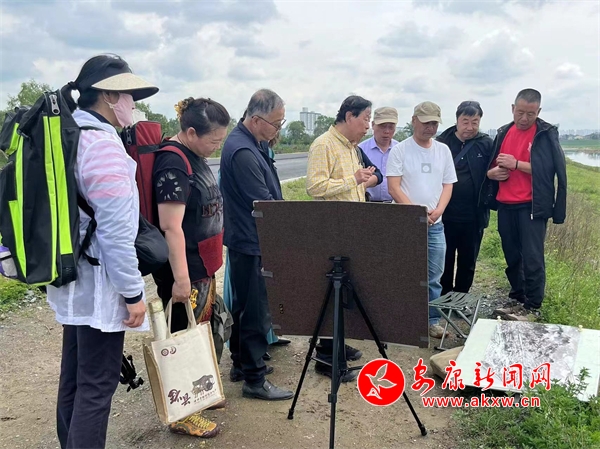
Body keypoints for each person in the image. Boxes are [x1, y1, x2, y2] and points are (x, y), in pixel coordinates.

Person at [48, 54, 158, 449]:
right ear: (109, 95)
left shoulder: (69, 134)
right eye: (127, 95)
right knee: (97, 385)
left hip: (70, 277)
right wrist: (132, 293)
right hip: (98, 283)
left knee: (75, 379)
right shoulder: (102, 146)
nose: (132, 104)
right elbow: (116, 233)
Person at [151, 97, 230, 437]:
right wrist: (181, 280)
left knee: (202, 334)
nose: (217, 146)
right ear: (192, 132)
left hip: (203, 265)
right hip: (185, 271)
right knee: (182, 339)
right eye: (213, 140)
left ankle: (201, 392)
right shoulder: (172, 163)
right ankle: (183, 413)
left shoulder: (195, 156)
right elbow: (171, 226)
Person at [219, 89, 294, 401]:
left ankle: (241, 363)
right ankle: (254, 378)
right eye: (276, 123)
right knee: (255, 310)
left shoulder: (250, 143)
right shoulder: (243, 151)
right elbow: (264, 204)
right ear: (256, 119)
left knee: (244, 305)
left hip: (246, 238)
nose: (278, 129)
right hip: (252, 240)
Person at [305, 95, 382, 382]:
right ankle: (327, 358)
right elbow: (314, 187)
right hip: (331, 230)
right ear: (349, 117)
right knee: (332, 292)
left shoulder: (351, 147)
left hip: (350, 228)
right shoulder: (323, 145)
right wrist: (354, 179)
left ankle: (337, 344)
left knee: (347, 288)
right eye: (365, 119)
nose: (367, 126)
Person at [484, 89, 567, 319]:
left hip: (532, 204)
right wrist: (492, 173)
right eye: (520, 112)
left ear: (538, 111)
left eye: (530, 114)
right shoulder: (504, 132)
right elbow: (491, 165)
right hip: (506, 203)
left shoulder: (544, 134)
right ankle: (517, 298)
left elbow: (548, 170)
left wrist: (517, 164)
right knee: (511, 255)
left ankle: (533, 306)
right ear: (513, 108)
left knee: (532, 257)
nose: (524, 118)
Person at [387, 101, 457, 339]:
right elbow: (394, 187)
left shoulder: (443, 150)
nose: (430, 128)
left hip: (435, 224)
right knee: (403, 272)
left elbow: (448, 184)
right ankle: (401, 319)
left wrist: (439, 210)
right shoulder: (400, 150)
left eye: (434, 123)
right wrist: (416, 213)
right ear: (414, 121)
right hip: (406, 224)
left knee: (434, 276)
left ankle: (432, 320)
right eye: (426, 122)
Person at [436, 101, 494, 295]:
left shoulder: (486, 144)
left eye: (474, 122)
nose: (470, 127)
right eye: (465, 122)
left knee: (468, 260)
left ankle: (461, 296)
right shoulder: (442, 142)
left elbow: (493, 170)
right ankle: (444, 295)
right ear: (457, 120)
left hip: (474, 214)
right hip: (445, 213)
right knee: (445, 258)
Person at [358, 106, 400, 202]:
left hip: (396, 204)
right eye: (382, 126)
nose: (386, 131)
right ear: (373, 125)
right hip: (368, 204)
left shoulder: (401, 151)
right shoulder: (360, 150)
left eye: (391, 127)